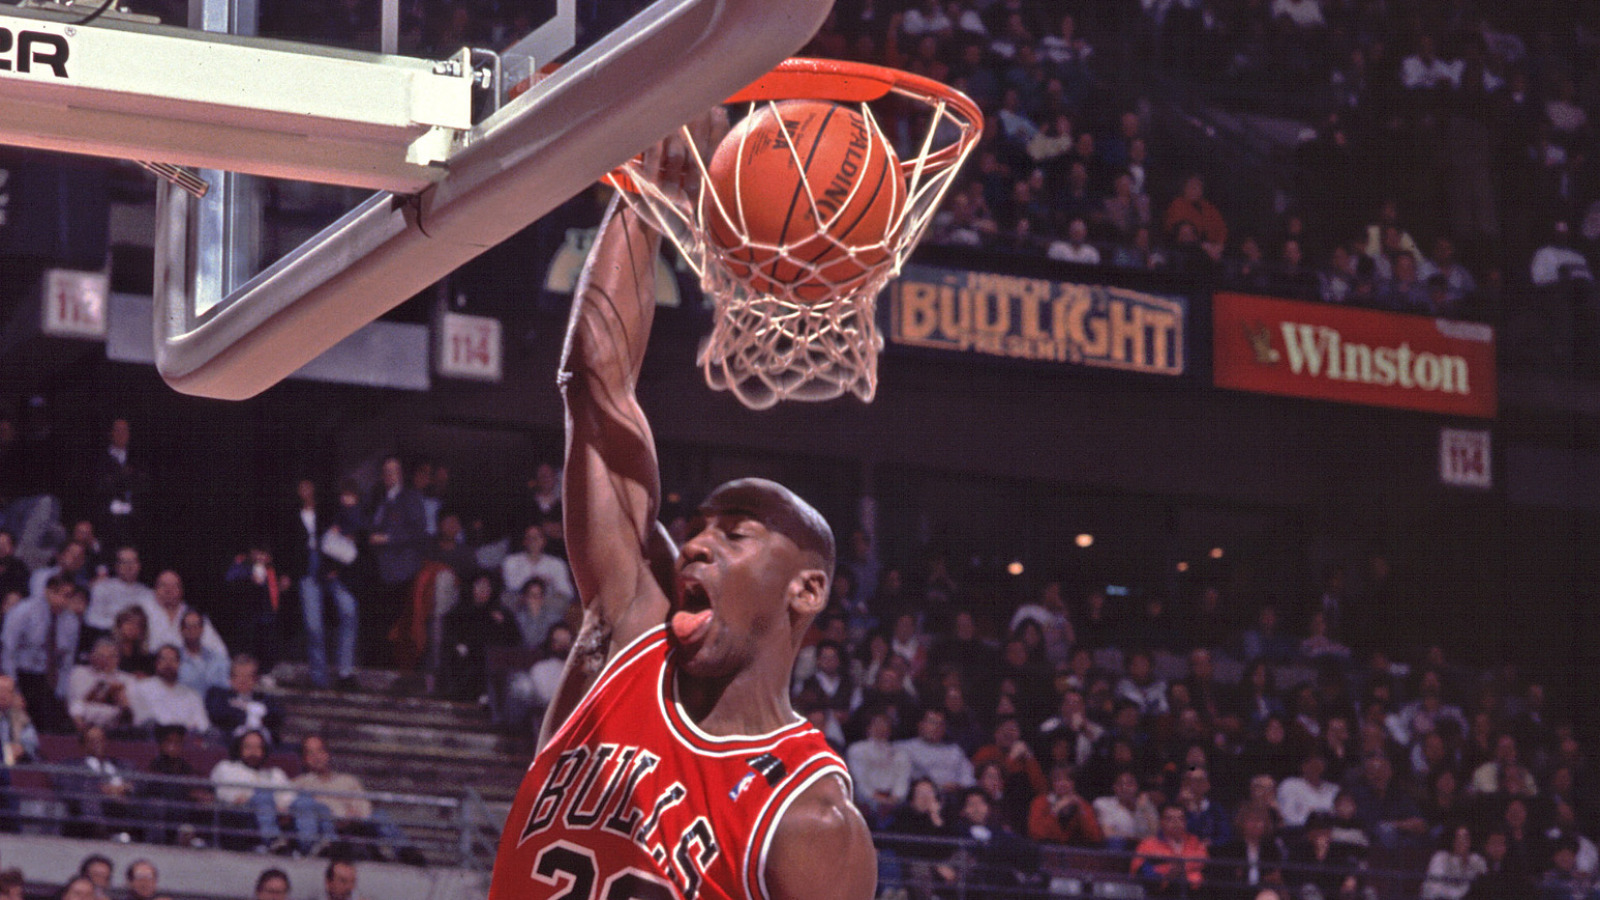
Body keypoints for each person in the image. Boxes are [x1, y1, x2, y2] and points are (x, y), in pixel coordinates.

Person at [487, 125, 875, 900]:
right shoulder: (626, 637)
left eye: (735, 534)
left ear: (806, 589)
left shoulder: (811, 821)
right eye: (696, 528)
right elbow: (594, 384)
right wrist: (647, 193)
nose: (696, 546)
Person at [0, 575, 79, 732]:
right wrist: (13, 691)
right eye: (60, 594)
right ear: (47, 591)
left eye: (68, 596)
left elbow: (67, 662)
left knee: (63, 728)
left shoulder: (71, 621)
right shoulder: (23, 611)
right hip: (20, 674)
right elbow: (8, 651)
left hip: (47, 679)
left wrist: (61, 694)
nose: (63, 600)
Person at [129, 645, 211, 734]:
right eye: (164, 659)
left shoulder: (192, 695)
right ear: (156, 664)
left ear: (179, 664)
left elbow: (203, 725)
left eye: (173, 660)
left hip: (186, 739)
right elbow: (141, 720)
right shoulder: (142, 688)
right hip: (153, 738)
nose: (168, 664)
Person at [206, 655, 285, 743]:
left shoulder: (265, 699)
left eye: (248, 676)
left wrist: (245, 709)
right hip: (230, 745)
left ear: (256, 679)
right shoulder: (218, 696)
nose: (243, 680)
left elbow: (276, 717)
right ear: (231, 678)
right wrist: (253, 711)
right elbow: (219, 716)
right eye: (239, 675)